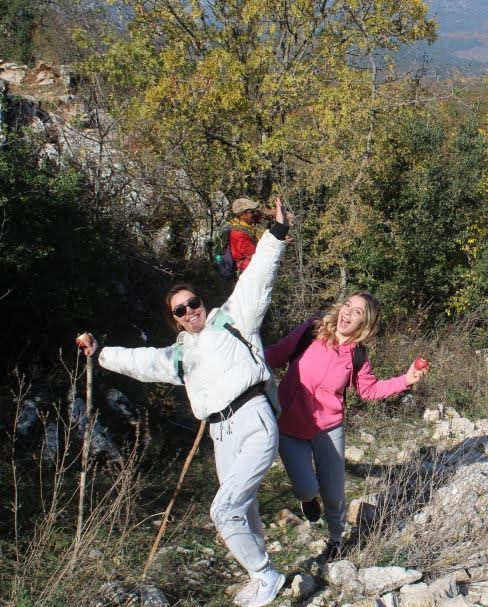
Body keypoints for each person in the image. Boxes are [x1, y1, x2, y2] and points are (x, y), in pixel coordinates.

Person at [76, 200, 292, 607]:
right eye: (181, 310)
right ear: (174, 318)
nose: (191, 311)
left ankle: (266, 576)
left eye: (193, 303)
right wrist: (101, 352)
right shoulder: (179, 355)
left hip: (253, 416)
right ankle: (260, 573)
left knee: (223, 510)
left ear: (202, 302)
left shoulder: (232, 319)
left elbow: (258, 278)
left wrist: (277, 234)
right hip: (220, 432)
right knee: (242, 510)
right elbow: (141, 362)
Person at [265, 292, 427, 559]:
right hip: (289, 426)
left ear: (366, 323)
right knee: (306, 488)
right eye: (347, 306)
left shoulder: (358, 355)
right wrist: (245, 355)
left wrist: (406, 380)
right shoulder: (312, 330)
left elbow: (370, 390)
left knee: (334, 491)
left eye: (358, 312)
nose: (348, 313)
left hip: (328, 428)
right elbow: (277, 353)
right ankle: (308, 499)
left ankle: (335, 539)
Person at [230, 197, 265, 273]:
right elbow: (255, 255)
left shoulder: (244, 225)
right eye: (251, 211)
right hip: (248, 270)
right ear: (242, 215)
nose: (254, 213)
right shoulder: (239, 234)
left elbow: (259, 216)